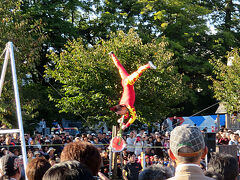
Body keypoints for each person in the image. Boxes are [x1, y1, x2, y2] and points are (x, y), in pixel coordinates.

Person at [109, 52, 156, 130]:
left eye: (120, 113)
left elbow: (134, 117)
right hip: (124, 82)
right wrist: (122, 120)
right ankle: (112, 55)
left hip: (128, 82)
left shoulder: (128, 105)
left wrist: (126, 125)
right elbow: (126, 114)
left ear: (122, 109)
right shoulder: (122, 104)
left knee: (138, 73)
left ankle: (148, 65)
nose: (121, 114)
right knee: (120, 67)